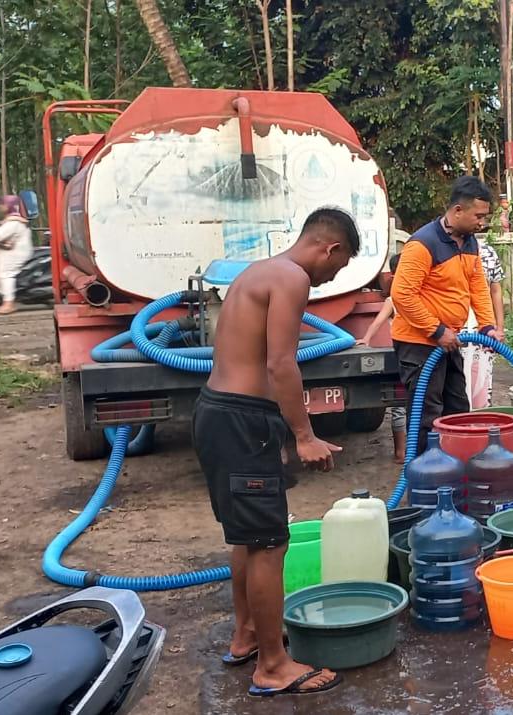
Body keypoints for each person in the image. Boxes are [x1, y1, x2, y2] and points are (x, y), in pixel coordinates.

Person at [192, 208, 356, 697]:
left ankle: (247, 634)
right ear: (329, 248)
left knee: (248, 537)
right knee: (269, 543)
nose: (333, 277)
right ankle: (273, 666)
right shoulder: (291, 277)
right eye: (340, 265)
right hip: (244, 420)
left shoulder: (259, 272)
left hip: (217, 411)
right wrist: (303, 435)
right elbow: (281, 363)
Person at [391, 176, 499, 455]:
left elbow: (478, 286)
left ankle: (456, 467)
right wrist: (437, 330)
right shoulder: (423, 244)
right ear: (457, 211)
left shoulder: (470, 243)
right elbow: (402, 295)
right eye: (478, 216)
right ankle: (423, 472)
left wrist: (487, 326)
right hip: (419, 343)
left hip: (450, 341)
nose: (482, 223)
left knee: (457, 410)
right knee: (427, 414)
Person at [356, 253, 408, 462]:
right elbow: (377, 322)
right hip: (403, 355)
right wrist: (366, 339)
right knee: (401, 405)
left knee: (411, 405)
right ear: (394, 276)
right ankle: (401, 452)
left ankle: (404, 451)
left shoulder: (417, 296)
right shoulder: (394, 299)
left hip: (415, 354)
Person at [462, 240, 506, 409]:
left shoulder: (487, 252)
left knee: (480, 376)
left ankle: (479, 417)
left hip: (482, 326)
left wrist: (499, 327)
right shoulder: (440, 249)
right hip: (451, 326)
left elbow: (495, 290)